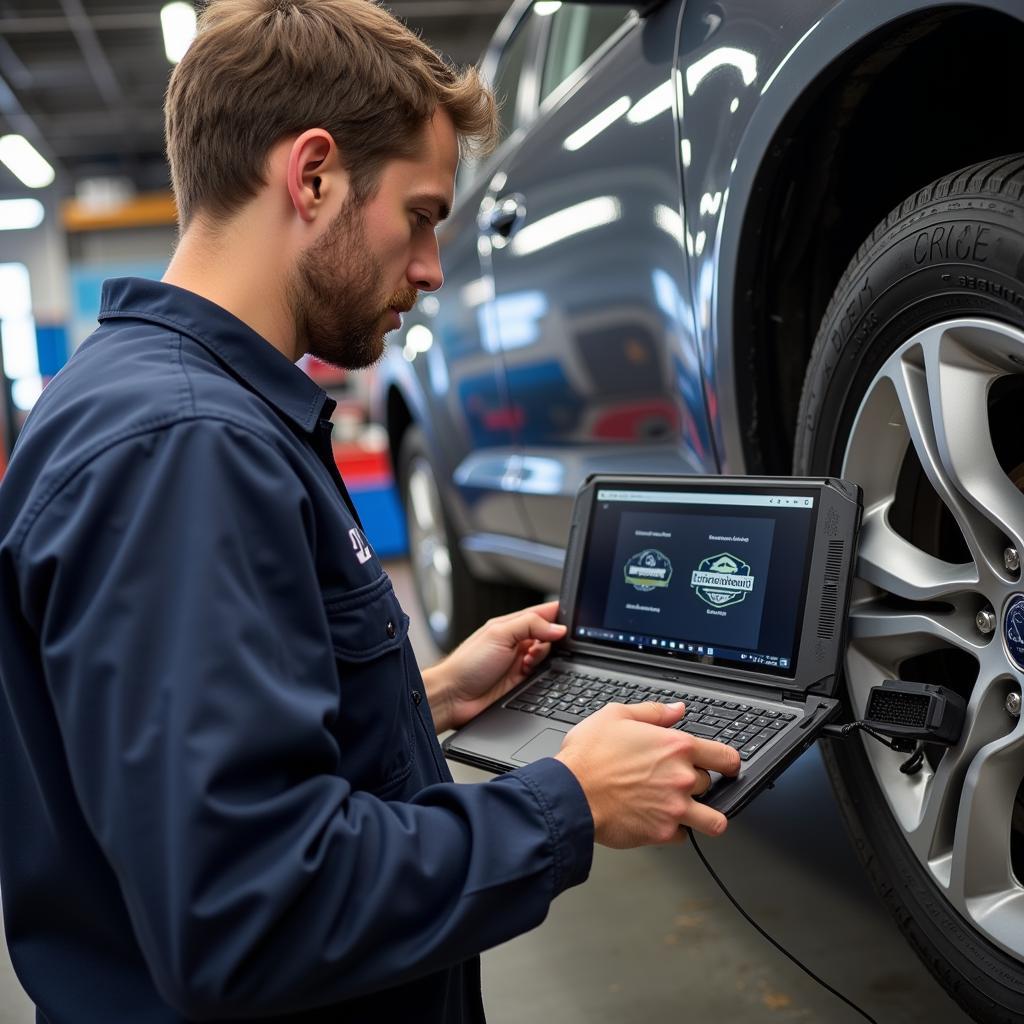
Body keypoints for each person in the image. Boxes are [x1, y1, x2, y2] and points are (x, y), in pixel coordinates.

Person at [0, 1, 741, 1021]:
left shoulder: (171, 407)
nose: (434, 269)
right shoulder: (185, 448)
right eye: (424, 215)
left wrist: (424, 696)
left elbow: (175, 761)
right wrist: (565, 802)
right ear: (312, 177)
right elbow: (246, 909)